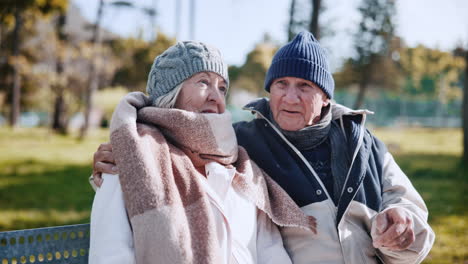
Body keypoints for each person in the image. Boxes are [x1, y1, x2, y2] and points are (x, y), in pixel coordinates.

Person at [92, 32, 435, 263]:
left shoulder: (366, 145)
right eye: (281, 84)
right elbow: (177, 140)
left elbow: (413, 221)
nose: (289, 97)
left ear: (326, 97)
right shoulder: (243, 144)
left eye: (304, 86)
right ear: (269, 89)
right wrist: (125, 150)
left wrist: (405, 228)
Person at [88, 41, 316, 264]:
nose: (215, 97)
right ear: (171, 92)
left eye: (222, 87)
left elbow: (269, 249)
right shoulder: (132, 156)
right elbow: (110, 254)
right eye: (203, 82)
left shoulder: (240, 167)